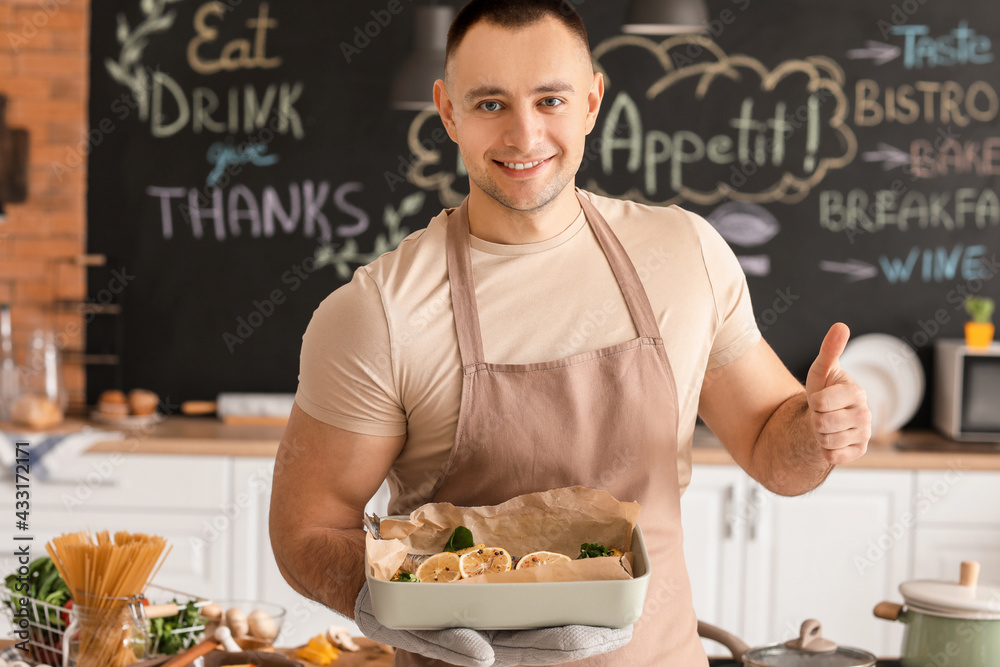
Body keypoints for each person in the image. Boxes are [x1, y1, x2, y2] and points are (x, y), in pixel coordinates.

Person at [269, 1, 872, 665]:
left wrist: (817, 432)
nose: (524, 136)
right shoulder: (378, 311)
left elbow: (769, 445)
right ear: (447, 112)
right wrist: (407, 607)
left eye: (550, 99)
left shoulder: (685, 256)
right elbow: (308, 528)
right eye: (490, 103)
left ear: (592, 102)